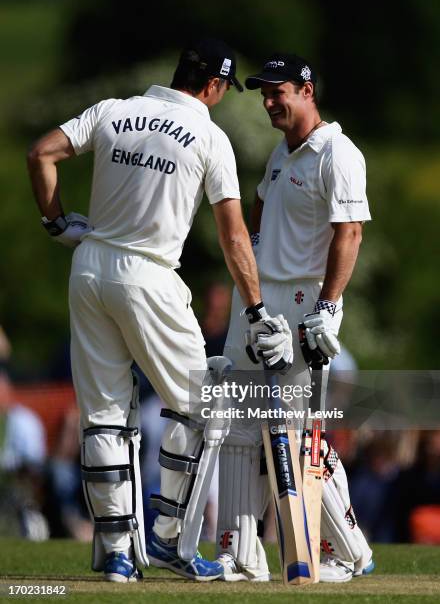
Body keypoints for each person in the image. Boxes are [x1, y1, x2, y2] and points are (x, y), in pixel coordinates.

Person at [26, 38, 292, 583]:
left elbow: (41, 154)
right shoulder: (210, 138)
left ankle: (118, 553)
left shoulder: (114, 111)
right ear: (215, 86)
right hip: (150, 276)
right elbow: (234, 235)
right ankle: (170, 539)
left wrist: (55, 221)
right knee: (201, 405)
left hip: (90, 267)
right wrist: (258, 306)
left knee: (104, 414)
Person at [216, 53, 375, 583]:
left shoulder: (338, 153)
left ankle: (347, 550)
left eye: (276, 92)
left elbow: (349, 233)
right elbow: (260, 208)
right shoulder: (281, 156)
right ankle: (242, 552)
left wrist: (329, 309)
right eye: (262, 93)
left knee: (298, 432)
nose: (267, 102)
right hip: (262, 301)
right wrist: (256, 256)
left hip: (307, 305)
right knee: (241, 423)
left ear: (306, 90)